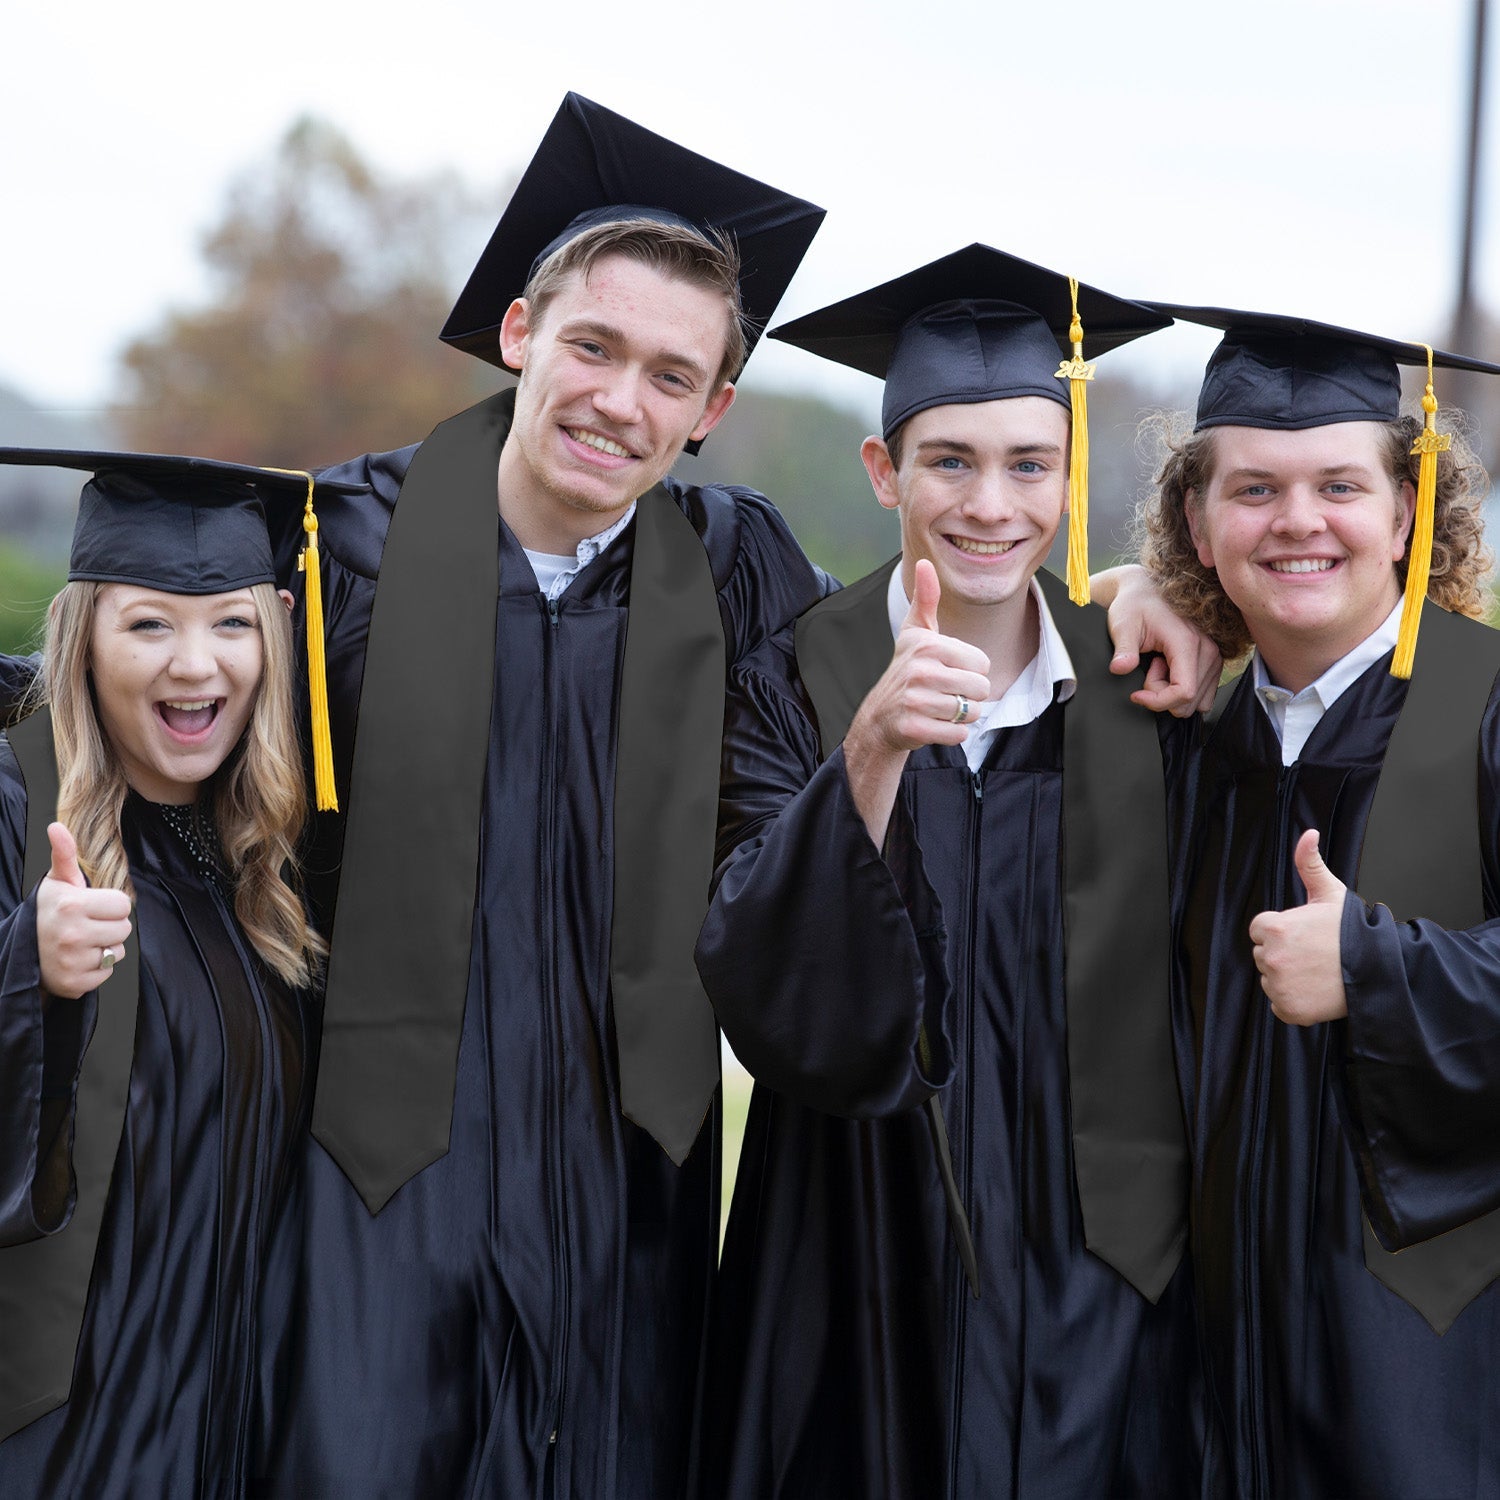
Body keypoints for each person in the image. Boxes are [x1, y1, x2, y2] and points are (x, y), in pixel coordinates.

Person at [250, 95, 830, 1499]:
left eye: (671, 377)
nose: (620, 401)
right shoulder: (341, 543)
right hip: (380, 1173)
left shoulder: (739, 566)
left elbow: (900, 719)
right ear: (520, 334)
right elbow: (150, 703)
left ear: (711, 414)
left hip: (630, 1181)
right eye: (593, 346)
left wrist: (1149, 622)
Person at [693, 246, 1204, 1499]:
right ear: (885, 473)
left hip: (1094, 1279)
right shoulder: (791, 679)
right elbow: (759, 979)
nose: (993, 504)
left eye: (1030, 464)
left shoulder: (1151, 689)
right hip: (848, 1259)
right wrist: (869, 746)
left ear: (1070, 474)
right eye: (950, 462)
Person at [1129, 307, 1500, 1499]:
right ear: (1197, 519)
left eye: (1340, 484)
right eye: (1254, 489)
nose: (1297, 521)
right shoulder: (1180, 745)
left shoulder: (1485, 708)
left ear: (1406, 508)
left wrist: (1378, 966)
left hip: (1434, 1381)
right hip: (1213, 1385)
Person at [0, 451, 344, 1498]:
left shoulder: (260, 862)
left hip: (223, 1415)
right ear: (85, 638)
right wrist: (30, 966)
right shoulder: (17, 804)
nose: (196, 666)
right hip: (58, 1427)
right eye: (150, 624)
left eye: (231, 624)